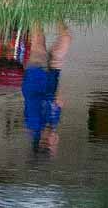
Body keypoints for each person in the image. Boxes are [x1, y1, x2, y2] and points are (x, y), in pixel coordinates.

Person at [22, 21, 72, 156]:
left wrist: (54, 99)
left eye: (53, 143)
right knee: (66, 38)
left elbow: (34, 99)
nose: (56, 140)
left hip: (36, 77)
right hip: (51, 78)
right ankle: (56, 13)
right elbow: (57, 102)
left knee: (38, 41)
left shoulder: (33, 123)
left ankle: (34, 9)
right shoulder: (53, 124)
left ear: (43, 142)